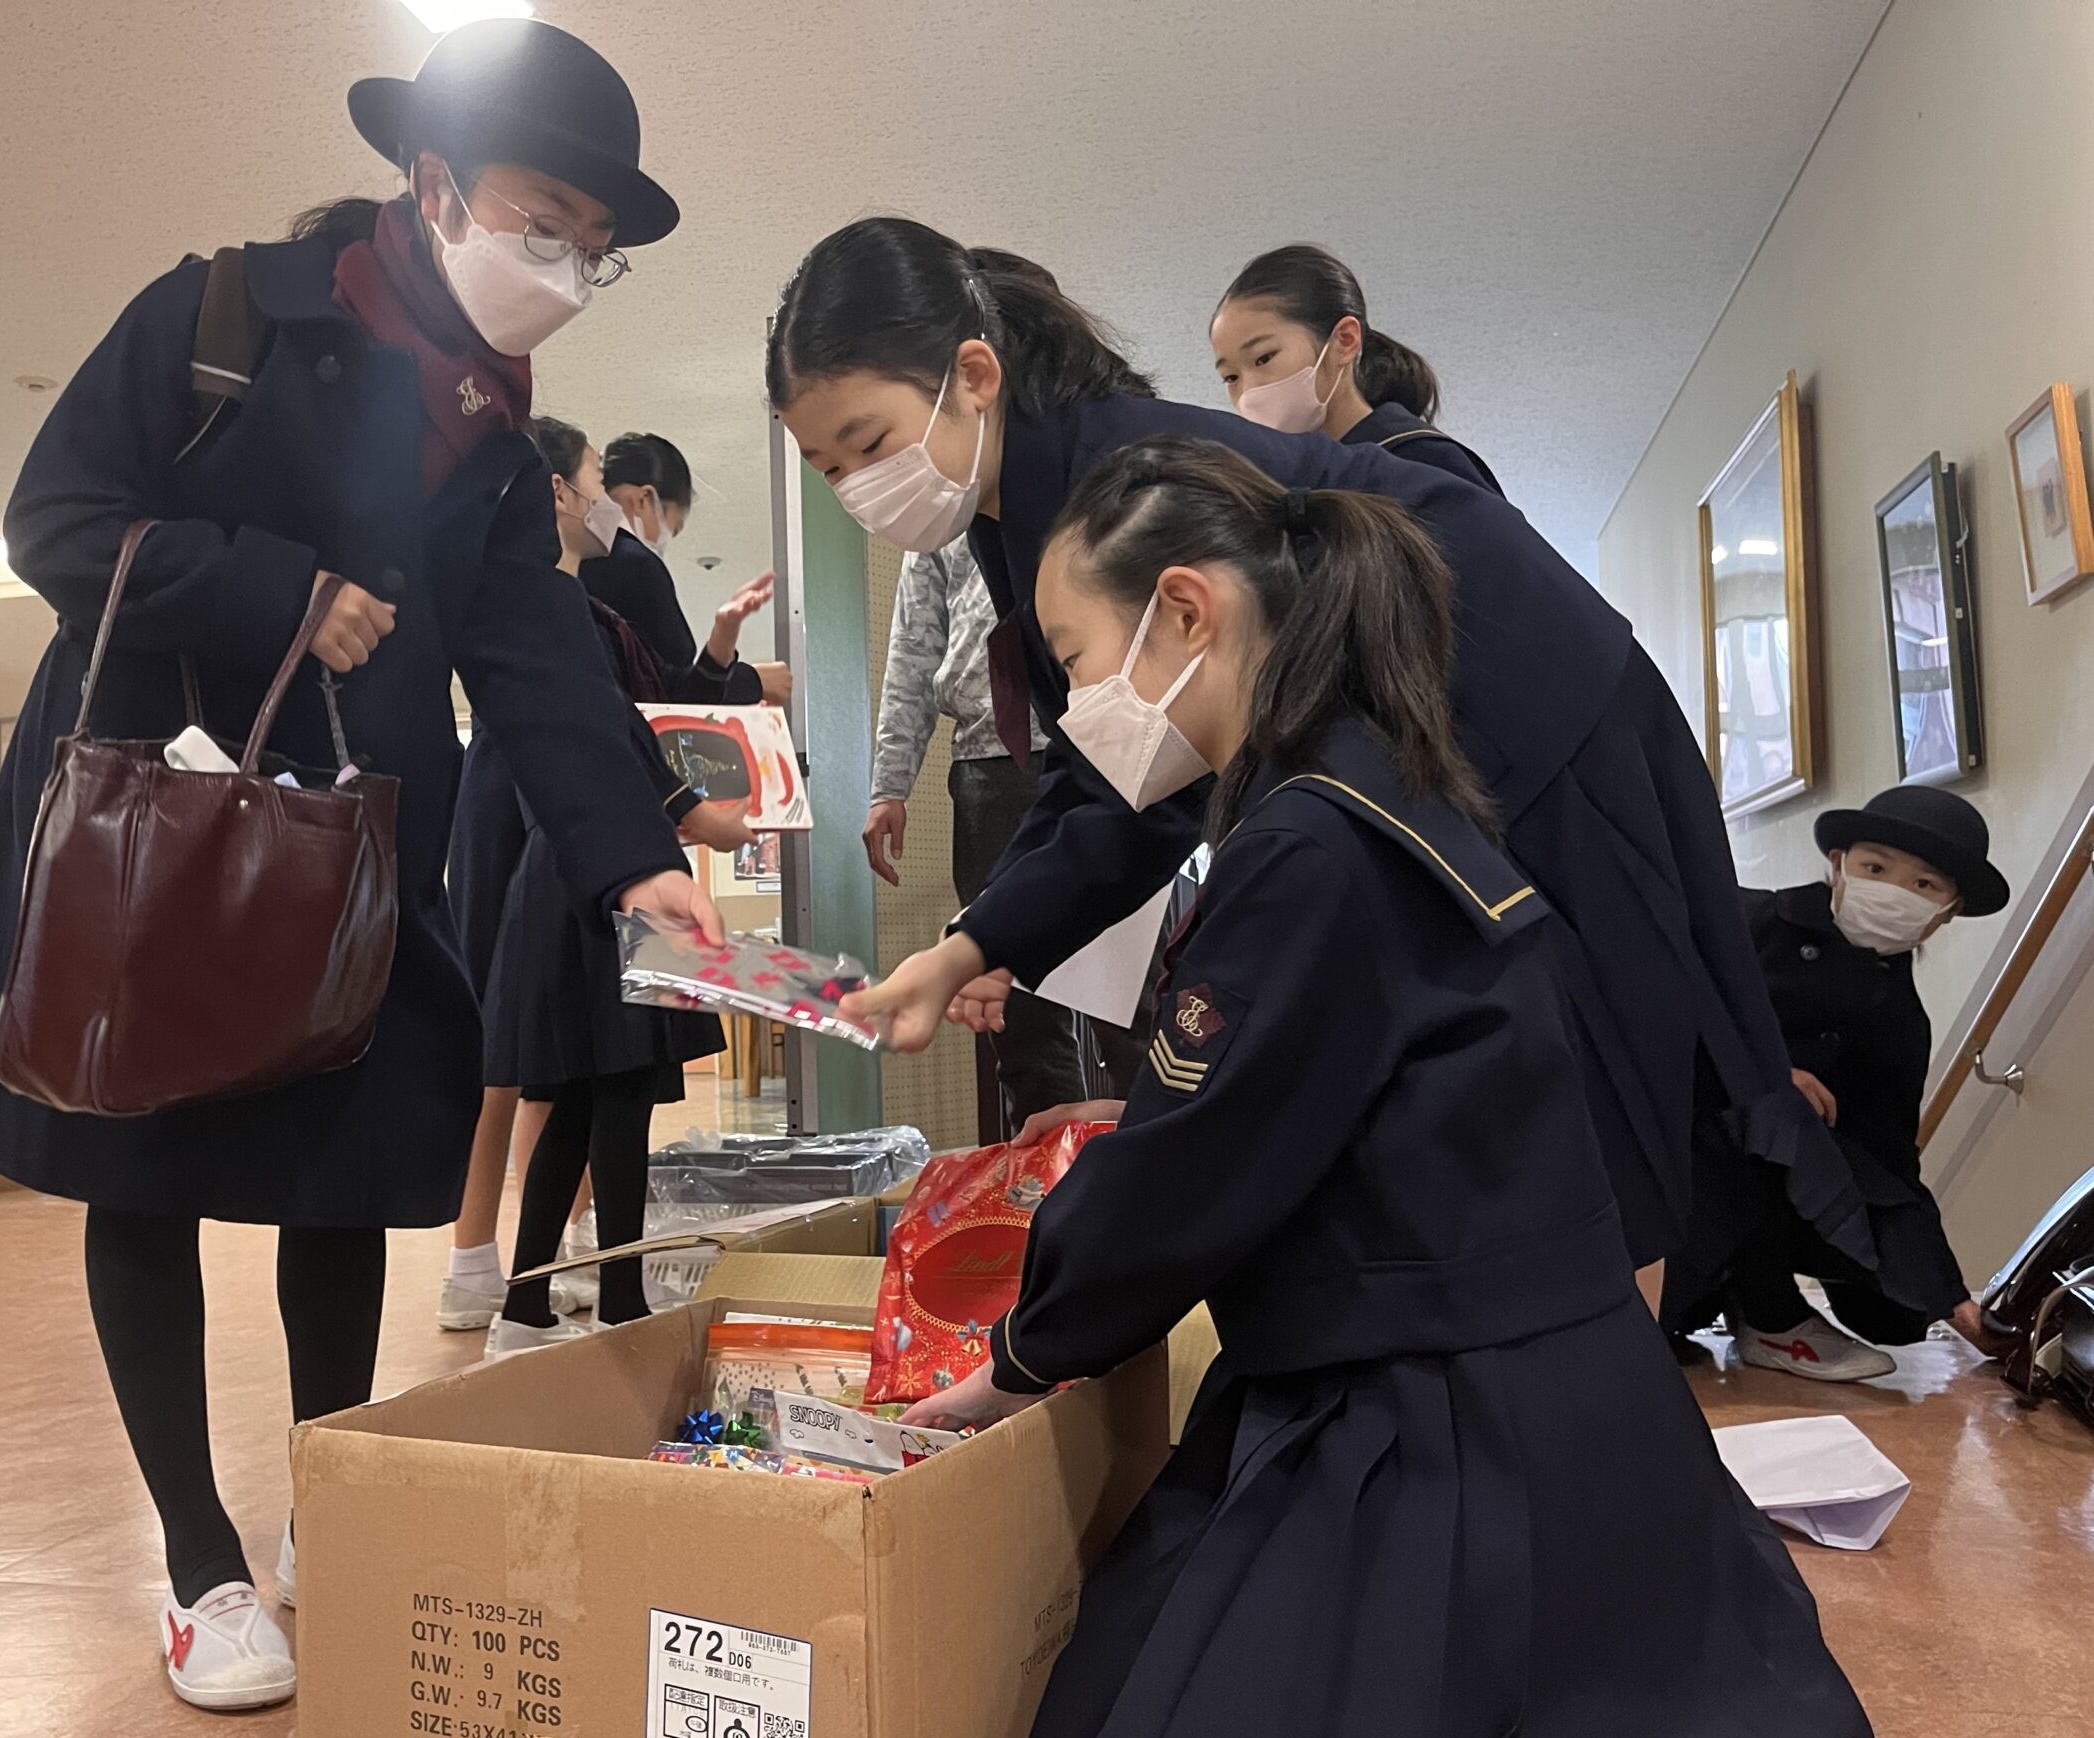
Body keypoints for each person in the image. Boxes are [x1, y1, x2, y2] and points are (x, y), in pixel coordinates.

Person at [894, 435, 1883, 1738]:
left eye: (1078, 654)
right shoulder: (1382, 790)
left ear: (1185, 613)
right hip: (1551, 1372)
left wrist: (1027, 1348)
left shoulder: (1300, 848)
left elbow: (1191, 1163)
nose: (1080, 707)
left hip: (1421, 1410)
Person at [0, 19, 723, 1714]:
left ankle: (325, 1506)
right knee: (134, 1165)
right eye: (539, 221)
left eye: (596, 252)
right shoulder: (219, 315)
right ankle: (200, 1568)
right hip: (152, 813)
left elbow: (534, 662)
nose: (564, 272)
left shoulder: (504, 441)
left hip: (362, 831)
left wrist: (633, 862)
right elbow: (53, 526)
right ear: (431, 183)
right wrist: (273, 588)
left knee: (345, 1163)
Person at [766, 216, 1865, 1292]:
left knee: (1592, 1094)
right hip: (1441, 737)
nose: (858, 485)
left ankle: (1609, 1395)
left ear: (972, 373)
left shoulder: (1121, 475)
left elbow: (1139, 786)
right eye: (825, 467)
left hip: (1537, 718)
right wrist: (969, 944)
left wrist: (977, 946)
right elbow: (1101, 759)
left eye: (867, 443)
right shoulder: (1023, 509)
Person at [479, 416, 746, 1357]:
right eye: (594, 479)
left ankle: (527, 1305)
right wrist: (693, 813)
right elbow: (610, 742)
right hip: (600, 876)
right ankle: (621, 1304)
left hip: (571, 869)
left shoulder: (566, 606)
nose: (608, 498)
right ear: (553, 492)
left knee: (587, 1096)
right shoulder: (545, 611)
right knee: (617, 1088)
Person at [1668, 786, 2015, 1380]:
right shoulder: (1742, 922)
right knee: (1777, 1107)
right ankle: (1767, 1311)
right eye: (1875, 867)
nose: (1894, 892)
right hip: (1666, 1178)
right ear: (1838, 865)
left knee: (1891, 1295)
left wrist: (1950, 1298)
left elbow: (1887, 1161)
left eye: (1924, 885)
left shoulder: (1901, 1024)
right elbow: (1647, 1019)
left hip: (1758, 1213)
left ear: (1948, 910)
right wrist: (1760, 1072)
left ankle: (1761, 1305)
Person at [865, 537, 1091, 1135]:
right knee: (1015, 1013)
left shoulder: (1081, 471)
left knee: (1131, 1000)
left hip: (1101, 740)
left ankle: (1145, 1190)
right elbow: (912, 649)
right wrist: (889, 785)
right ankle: (1043, 1196)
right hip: (990, 764)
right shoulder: (934, 515)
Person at [1209, 242, 1503, 495]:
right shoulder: (1288, 488)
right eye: (1231, 377)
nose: (1248, 391)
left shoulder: (1421, 463)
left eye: (1263, 358)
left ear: (1344, 340)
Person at [582, 431, 791, 705]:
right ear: (643, 499)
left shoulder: (570, 564)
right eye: (672, 526)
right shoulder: (636, 564)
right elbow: (674, 690)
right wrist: (752, 681)